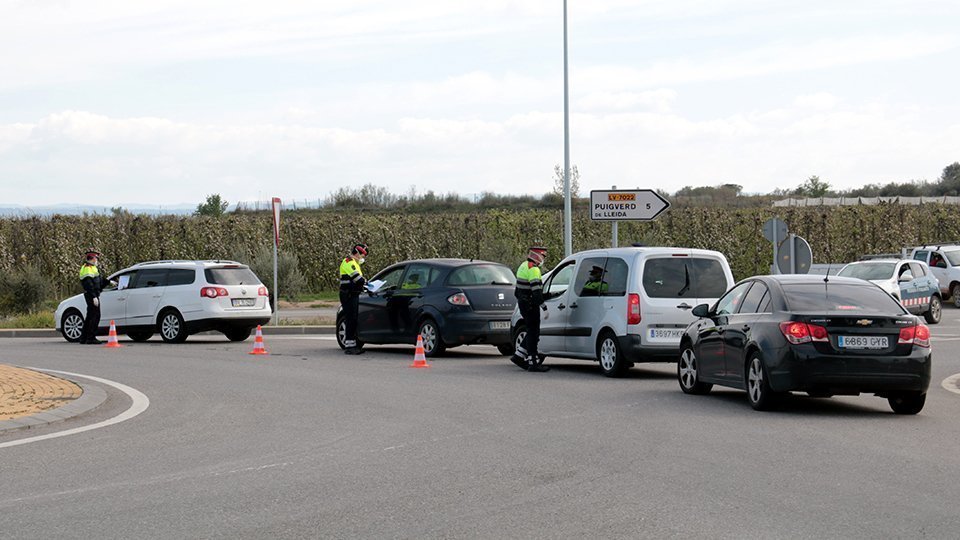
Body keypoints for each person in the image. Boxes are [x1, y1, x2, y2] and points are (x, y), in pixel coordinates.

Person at [511, 246, 550, 372]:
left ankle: (518, 356)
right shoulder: (533, 269)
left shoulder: (523, 266)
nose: (543, 259)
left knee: (530, 331)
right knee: (534, 333)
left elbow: (517, 291)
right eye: (543, 256)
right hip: (531, 305)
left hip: (523, 304)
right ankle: (533, 362)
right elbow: (536, 292)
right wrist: (544, 307)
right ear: (538, 256)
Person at [339, 243, 368, 355]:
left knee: (353, 319)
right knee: (350, 319)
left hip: (352, 294)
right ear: (357, 253)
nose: (363, 258)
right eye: (363, 255)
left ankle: (352, 345)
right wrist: (367, 283)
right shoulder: (348, 262)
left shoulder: (354, 263)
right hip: (348, 295)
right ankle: (350, 347)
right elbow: (358, 279)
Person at [78, 249, 111, 345]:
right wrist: (94, 296)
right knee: (95, 316)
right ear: (92, 259)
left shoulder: (92, 268)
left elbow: (99, 281)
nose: (97, 260)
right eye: (96, 258)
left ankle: (83, 338)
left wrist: (109, 282)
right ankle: (91, 338)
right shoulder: (87, 268)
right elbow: (89, 284)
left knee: (89, 317)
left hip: (93, 295)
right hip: (91, 295)